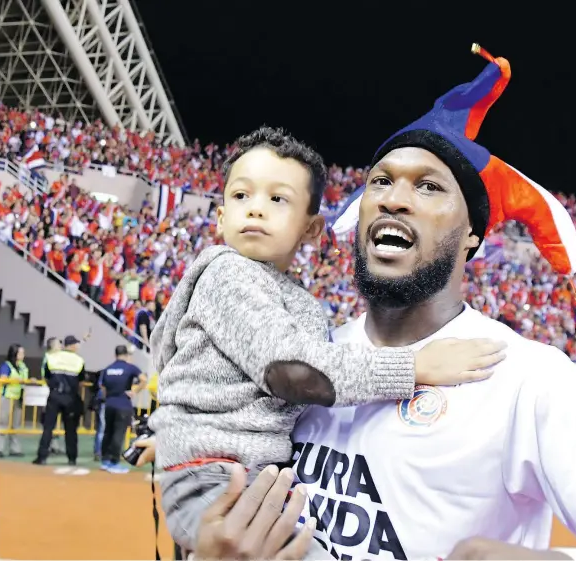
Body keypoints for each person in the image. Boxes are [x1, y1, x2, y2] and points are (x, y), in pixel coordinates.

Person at [226, 46, 576, 559]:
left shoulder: (527, 377)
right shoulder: (311, 359)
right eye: (380, 182)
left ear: (472, 235)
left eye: (428, 187)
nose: (393, 198)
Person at [148, 126, 507, 553]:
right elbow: (292, 372)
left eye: (277, 199)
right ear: (221, 216)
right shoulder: (228, 272)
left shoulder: (289, 297)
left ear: (312, 229)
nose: (255, 210)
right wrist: (415, 366)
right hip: (216, 475)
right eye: (241, 196)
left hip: (231, 471)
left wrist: (177, 427)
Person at [33, 335, 86, 466]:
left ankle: (42, 457)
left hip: (55, 395)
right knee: (71, 430)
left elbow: (46, 376)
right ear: (72, 346)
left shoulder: (52, 357)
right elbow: (81, 379)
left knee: (48, 427)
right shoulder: (78, 360)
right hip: (70, 398)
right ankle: (72, 458)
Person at [97, 345, 147, 474]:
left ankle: (105, 461)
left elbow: (102, 387)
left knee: (108, 432)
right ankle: (114, 462)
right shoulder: (130, 368)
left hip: (109, 404)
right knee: (118, 434)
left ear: (115, 355)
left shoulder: (107, 369)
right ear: (126, 355)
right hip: (123, 404)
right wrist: (135, 390)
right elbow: (143, 379)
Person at [0, 344, 34, 458]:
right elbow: (3, 378)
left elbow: (24, 380)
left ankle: (15, 449)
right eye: (21, 353)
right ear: (14, 354)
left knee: (15, 425)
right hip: (7, 397)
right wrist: (16, 379)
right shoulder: (6, 365)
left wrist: (29, 380)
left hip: (18, 398)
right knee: (2, 424)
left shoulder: (23, 366)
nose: (23, 355)